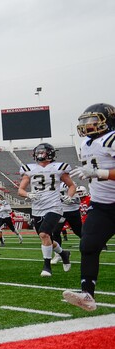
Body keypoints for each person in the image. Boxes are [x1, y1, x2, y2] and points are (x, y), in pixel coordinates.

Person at [63, 103, 115, 311]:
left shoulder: (112, 139)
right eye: (85, 121)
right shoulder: (86, 144)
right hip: (101, 205)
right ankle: (87, 295)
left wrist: (100, 173)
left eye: (93, 120)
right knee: (88, 246)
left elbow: (101, 172)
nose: (88, 125)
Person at [18, 143, 76, 278]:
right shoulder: (29, 169)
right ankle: (63, 253)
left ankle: (47, 266)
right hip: (37, 207)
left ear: (50, 153)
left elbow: (71, 186)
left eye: (42, 152)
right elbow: (20, 190)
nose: (40, 155)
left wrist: (69, 196)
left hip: (54, 206)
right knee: (45, 238)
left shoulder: (58, 168)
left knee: (44, 234)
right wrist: (28, 194)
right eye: (38, 152)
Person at [51, 184, 86, 265]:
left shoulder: (71, 184)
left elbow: (79, 199)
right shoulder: (53, 182)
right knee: (55, 232)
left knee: (79, 232)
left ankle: (88, 249)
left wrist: (71, 199)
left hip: (72, 211)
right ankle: (58, 254)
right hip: (60, 212)